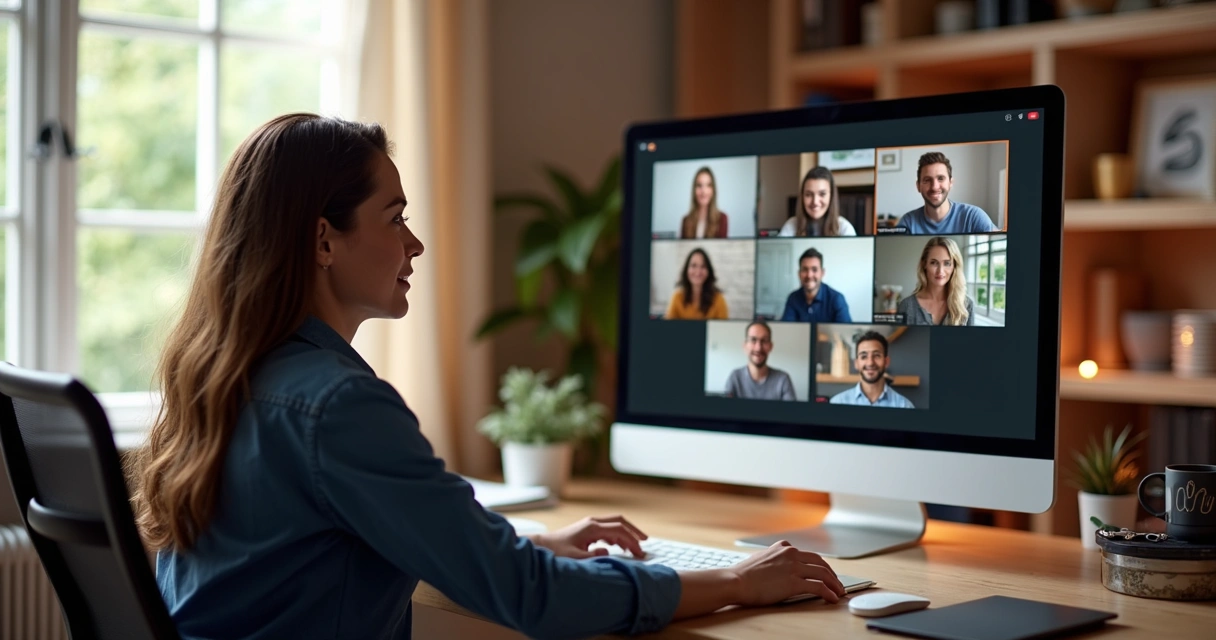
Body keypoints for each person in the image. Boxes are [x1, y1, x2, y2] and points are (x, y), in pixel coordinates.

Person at [132, 114, 846, 640]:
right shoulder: (338, 406)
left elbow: (346, 545)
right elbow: (531, 599)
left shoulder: (222, 380)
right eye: (395, 218)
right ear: (324, 239)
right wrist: (735, 581)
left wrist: (528, 545)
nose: (415, 243)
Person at [895, 152, 998, 234]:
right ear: (918, 186)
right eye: (927, 180)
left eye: (940, 178)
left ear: (950, 183)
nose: (934, 187)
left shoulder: (973, 217)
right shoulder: (907, 223)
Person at [897, 236, 974, 326]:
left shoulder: (966, 305)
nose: (940, 271)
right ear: (924, 264)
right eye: (934, 263)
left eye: (947, 263)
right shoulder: (906, 306)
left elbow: (971, 340)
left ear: (954, 267)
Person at [829, 331, 915, 408]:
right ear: (856, 363)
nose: (870, 363)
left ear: (886, 362)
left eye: (877, 355)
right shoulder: (837, 403)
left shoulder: (904, 406)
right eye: (864, 356)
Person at [723, 322, 796, 401]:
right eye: (753, 340)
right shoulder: (735, 377)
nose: (758, 348)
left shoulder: (783, 379)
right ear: (745, 346)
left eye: (764, 341)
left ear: (771, 346)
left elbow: (791, 412)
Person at [778, 166, 857, 237]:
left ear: (831, 196)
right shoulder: (791, 225)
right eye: (808, 194)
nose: (815, 202)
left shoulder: (845, 228)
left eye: (822, 194)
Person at [779, 248, 851, 323]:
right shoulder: (793, 298)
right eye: (805, 270)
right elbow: (787, 330)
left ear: (822, 273)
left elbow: (844, 333)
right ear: (799, 274)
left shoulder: (837, 299)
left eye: (814, 270)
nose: (809, 275)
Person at [664, 248, 729, 320]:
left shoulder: (719, 300)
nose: (698, 272)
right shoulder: (677, 298)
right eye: (693, 265)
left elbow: (723, 329)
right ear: (686, 269)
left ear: (708, 271)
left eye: (703, 266)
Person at [679, 166, 730, 238]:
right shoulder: (686, 221)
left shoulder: (722, 219)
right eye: (699, 185)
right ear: (694, 190)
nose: (703, 191)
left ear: (713, 190)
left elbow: (721, 249)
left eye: (708, 185)